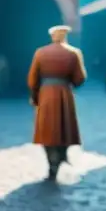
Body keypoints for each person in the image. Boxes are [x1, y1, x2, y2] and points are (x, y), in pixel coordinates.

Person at [27, 25, 86, 180]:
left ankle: (51, 161)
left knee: (46, 129)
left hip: (46, 93)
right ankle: (60, 157)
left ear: (52, 36)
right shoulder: (73, 53)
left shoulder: (40, 52)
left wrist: (34, 96)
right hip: (64, 93)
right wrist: (68, 83)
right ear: (65, 36)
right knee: (63, 128)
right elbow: (80, 78)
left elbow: (32, 79)